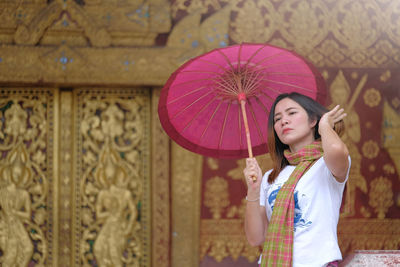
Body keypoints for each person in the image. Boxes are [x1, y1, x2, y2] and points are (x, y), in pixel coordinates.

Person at [243, 92, 351, 267]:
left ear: (312, 120)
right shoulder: (271, 177)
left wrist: (325, 127)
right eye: (277, 119)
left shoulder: (326, 165)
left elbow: (338, 150)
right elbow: (255, 238)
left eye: (291, 113)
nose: (283, 121)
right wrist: (253, 190)